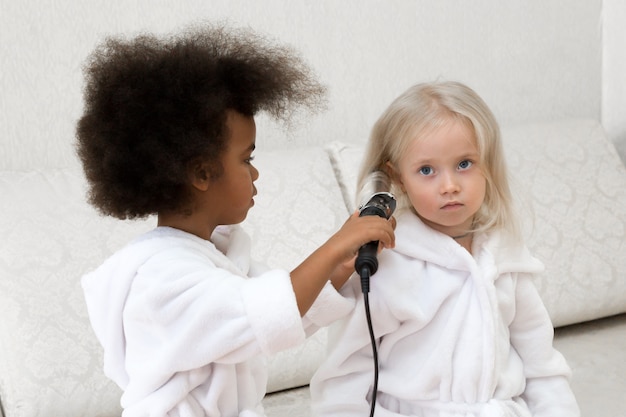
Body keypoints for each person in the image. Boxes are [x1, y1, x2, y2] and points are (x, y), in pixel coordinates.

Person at [76, 23, 395, 417]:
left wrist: (341, 267)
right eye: (247, 159)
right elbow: (263, 311)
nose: (255, 173)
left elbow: (277, 314)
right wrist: (333, 247)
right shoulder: (160, 279)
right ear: (202, 173)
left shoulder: (214, 254)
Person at [310, 81, 580, 416]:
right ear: (397, 177)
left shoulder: (507, 257)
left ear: (488, 164)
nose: (450, 186)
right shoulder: (386, 261)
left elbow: (541, 365)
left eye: (465, 164)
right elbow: (345, 375)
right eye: (426, 170)